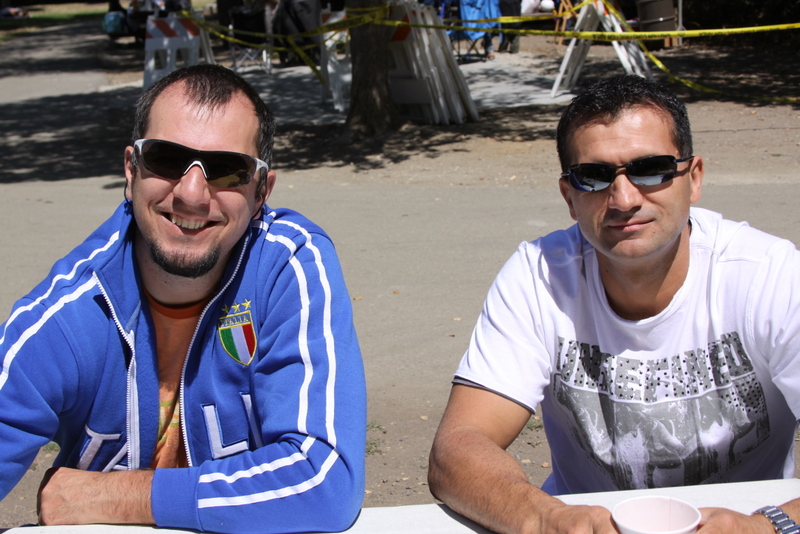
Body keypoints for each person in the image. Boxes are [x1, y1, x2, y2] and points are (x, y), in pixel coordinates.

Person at [0, 64, 366, 534]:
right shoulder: (66, 314)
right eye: (168, 160)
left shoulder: (287, 267)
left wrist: (115, 495)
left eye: (226, 169)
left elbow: (326, 482)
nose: (192, 194)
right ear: (131, 171)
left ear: (261, 193)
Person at [428, 74, 800, 533]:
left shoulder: (769, 274)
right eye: (595, 176)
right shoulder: (538, 275)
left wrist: (766, 526)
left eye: (652, 168)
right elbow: (460, 446)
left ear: (694, 177)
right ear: (569, 196)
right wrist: (545, 518)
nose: (624, 198)